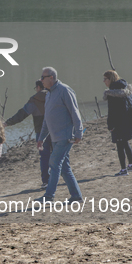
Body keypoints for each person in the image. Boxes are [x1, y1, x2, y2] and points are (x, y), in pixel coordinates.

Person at [36, 67, 84, 204]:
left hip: (65, 135)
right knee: (64, 167)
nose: (41, 80)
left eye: (43, 77)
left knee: (54, 162)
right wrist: (41, 138)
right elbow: (47, 118)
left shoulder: (64, 90)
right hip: (55, 137)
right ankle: (76, 196)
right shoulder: (49, 94)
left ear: (51, 77)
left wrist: (79, 132)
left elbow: (75, 113)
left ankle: (49, 196)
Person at [4, 80, 51, 189]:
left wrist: (7, 122)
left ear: (38, 87)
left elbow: (22, 114)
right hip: (56, 130)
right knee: (57, 155)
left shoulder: (35, 100)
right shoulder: (54, 95)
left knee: (44, 157)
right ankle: (59, 179)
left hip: (41, 132)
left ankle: (46, 181)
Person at [103, 70, 132, 176]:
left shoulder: (112, 93)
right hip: (128, 121)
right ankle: (131, 165)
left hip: (119, 123)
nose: (103, 81)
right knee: (125, 142)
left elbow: (112, 111)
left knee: (120, 145)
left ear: (110, 79)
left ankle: (123, 170)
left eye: (105, 79)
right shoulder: (125, 88)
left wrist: (111, 125)